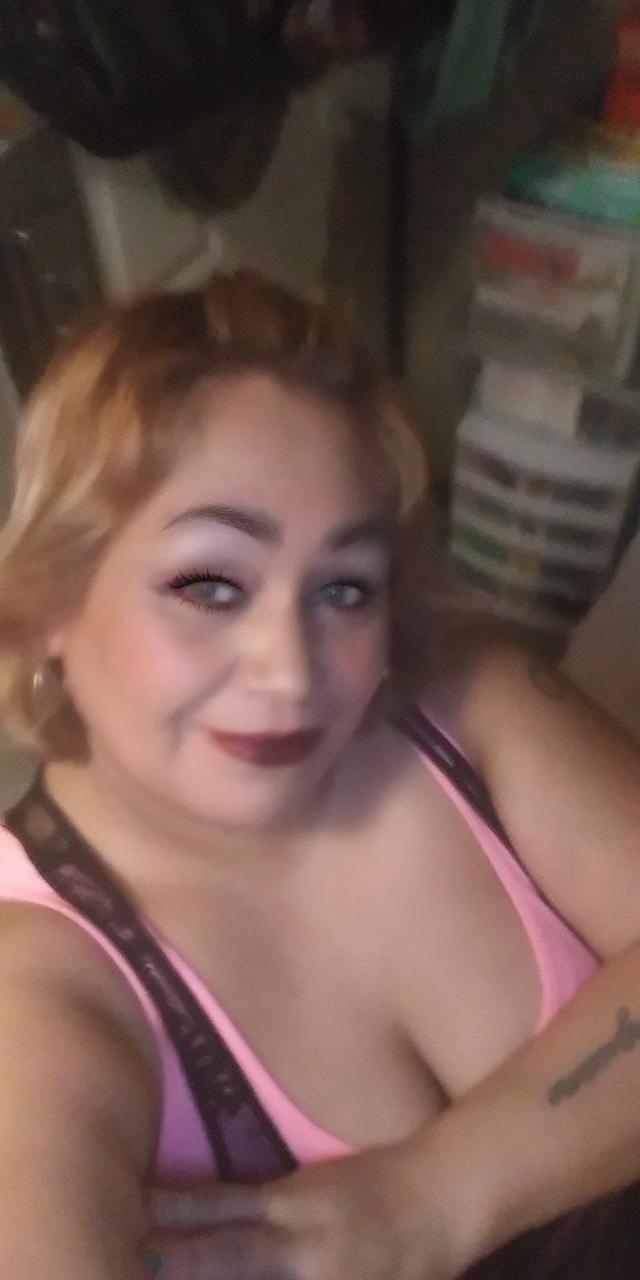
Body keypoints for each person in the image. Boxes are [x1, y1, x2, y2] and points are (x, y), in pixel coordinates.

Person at [0, 270, 638, 1280]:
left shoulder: (472, 702)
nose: (292, 672)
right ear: (50, 604)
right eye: (210, 584)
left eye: (344, 587)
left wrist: (433, 1198)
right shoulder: (37, 984)